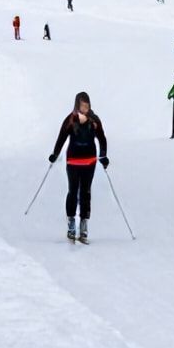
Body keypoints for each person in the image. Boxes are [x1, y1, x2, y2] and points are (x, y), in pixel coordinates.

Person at [48, 91, 109, 244]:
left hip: (89, 162)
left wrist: (103, 156)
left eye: (87, 106)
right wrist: (55, 154)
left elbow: (102, 138)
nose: (85, 109)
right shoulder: (70, 119)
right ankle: (71, 222)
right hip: (73, 162)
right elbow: (61, 138)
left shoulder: (94, 120)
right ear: (77, 105)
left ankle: (83, 223)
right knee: (73, 191)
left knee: (86, 192)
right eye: (82, 106)